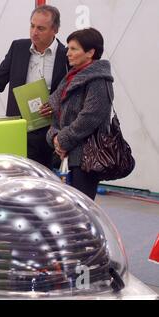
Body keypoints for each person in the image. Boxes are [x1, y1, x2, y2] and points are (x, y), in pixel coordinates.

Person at [0, 5, 69, 169]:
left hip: (49, 134)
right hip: (18, 130)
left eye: (41, 28)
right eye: (32, 26)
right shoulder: (18, 49)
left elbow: (73, 96)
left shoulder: (66, 57)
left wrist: (56, 106)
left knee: (42, 184)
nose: (34, 32)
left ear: (55, 30)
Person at [46, 28, 113, 200]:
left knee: (80, 212)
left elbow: (90, 117)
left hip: (85, 159)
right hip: (66, 155)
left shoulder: (98, 80)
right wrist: (55, 137)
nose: (68, 53)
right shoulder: (71, 77)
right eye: (68, 48)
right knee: (66, 210)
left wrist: (62, 140)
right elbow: (57, 111)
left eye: (74, 49)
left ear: (90, 52)